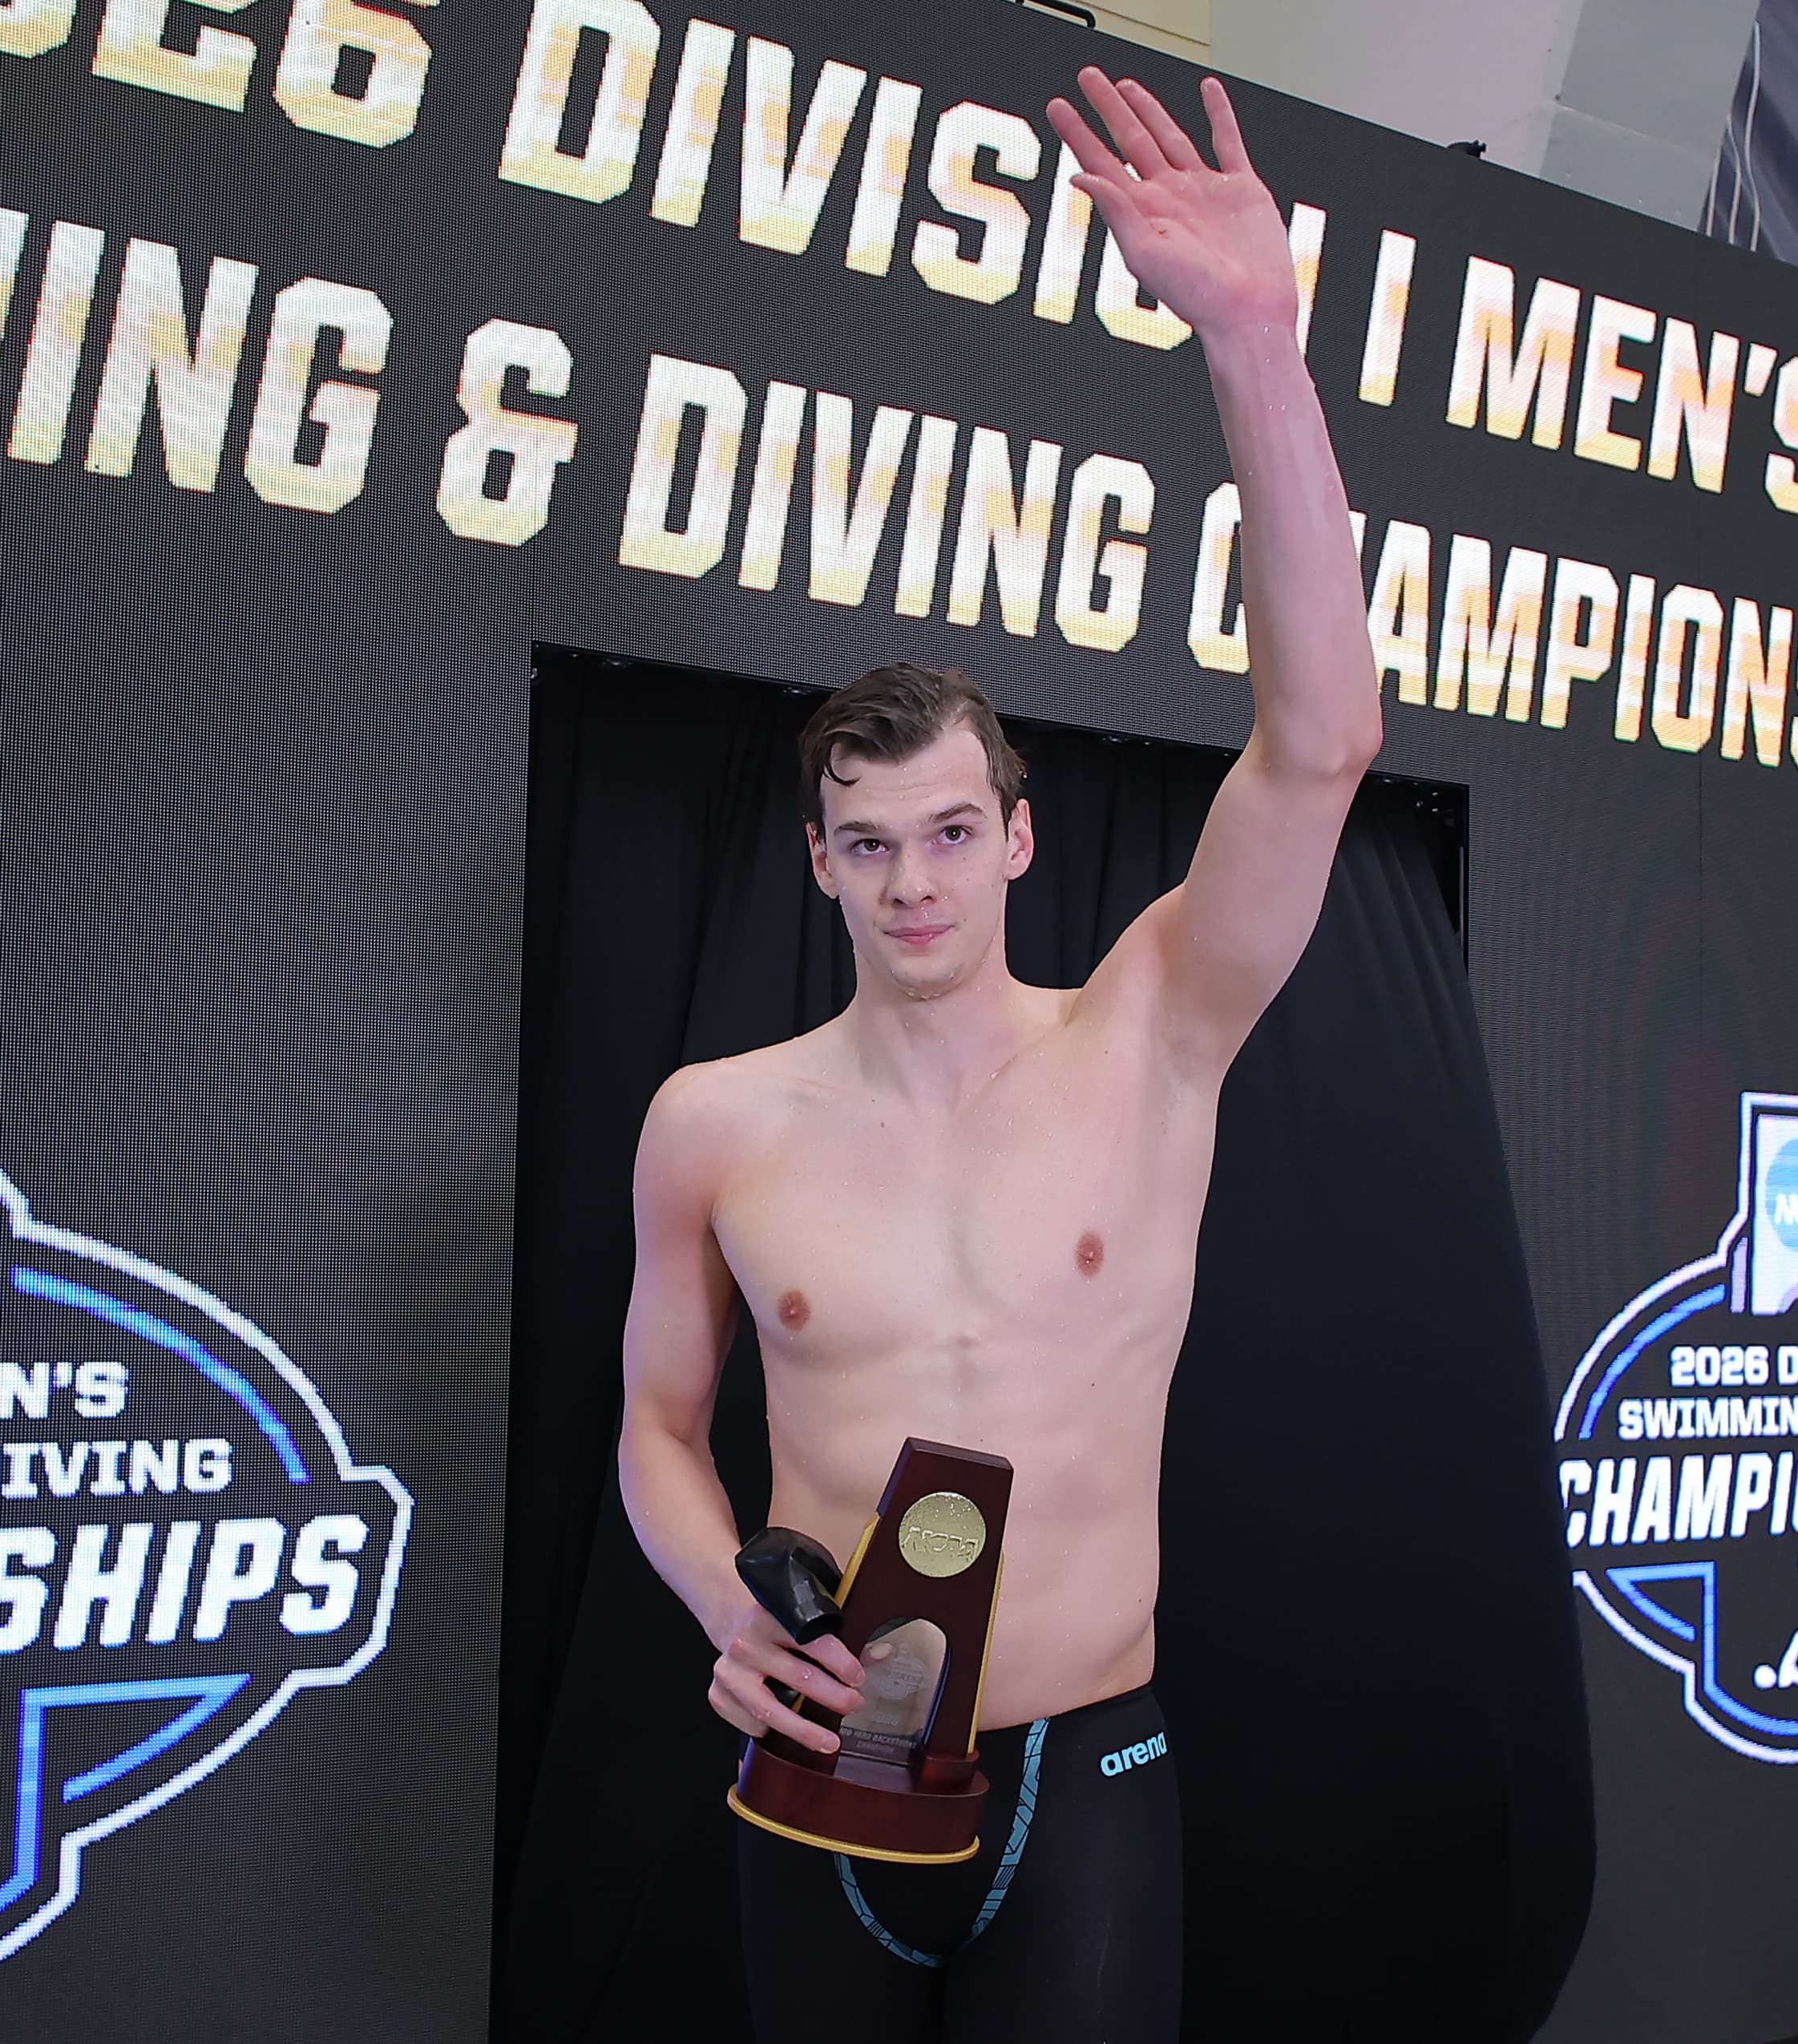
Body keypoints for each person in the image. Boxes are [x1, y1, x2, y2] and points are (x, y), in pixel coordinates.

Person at [617, 64, 1378, 2042]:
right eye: (868, 847)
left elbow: (1317, 744)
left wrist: (1251, 348)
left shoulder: (1151, 1031)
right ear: (818, 868)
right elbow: (655, 1434)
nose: (914, 883)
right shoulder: (716, 1124)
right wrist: (721, 1604)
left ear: (1018, 833)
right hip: (826, 1773)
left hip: (1085, 1775)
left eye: (952, 833)